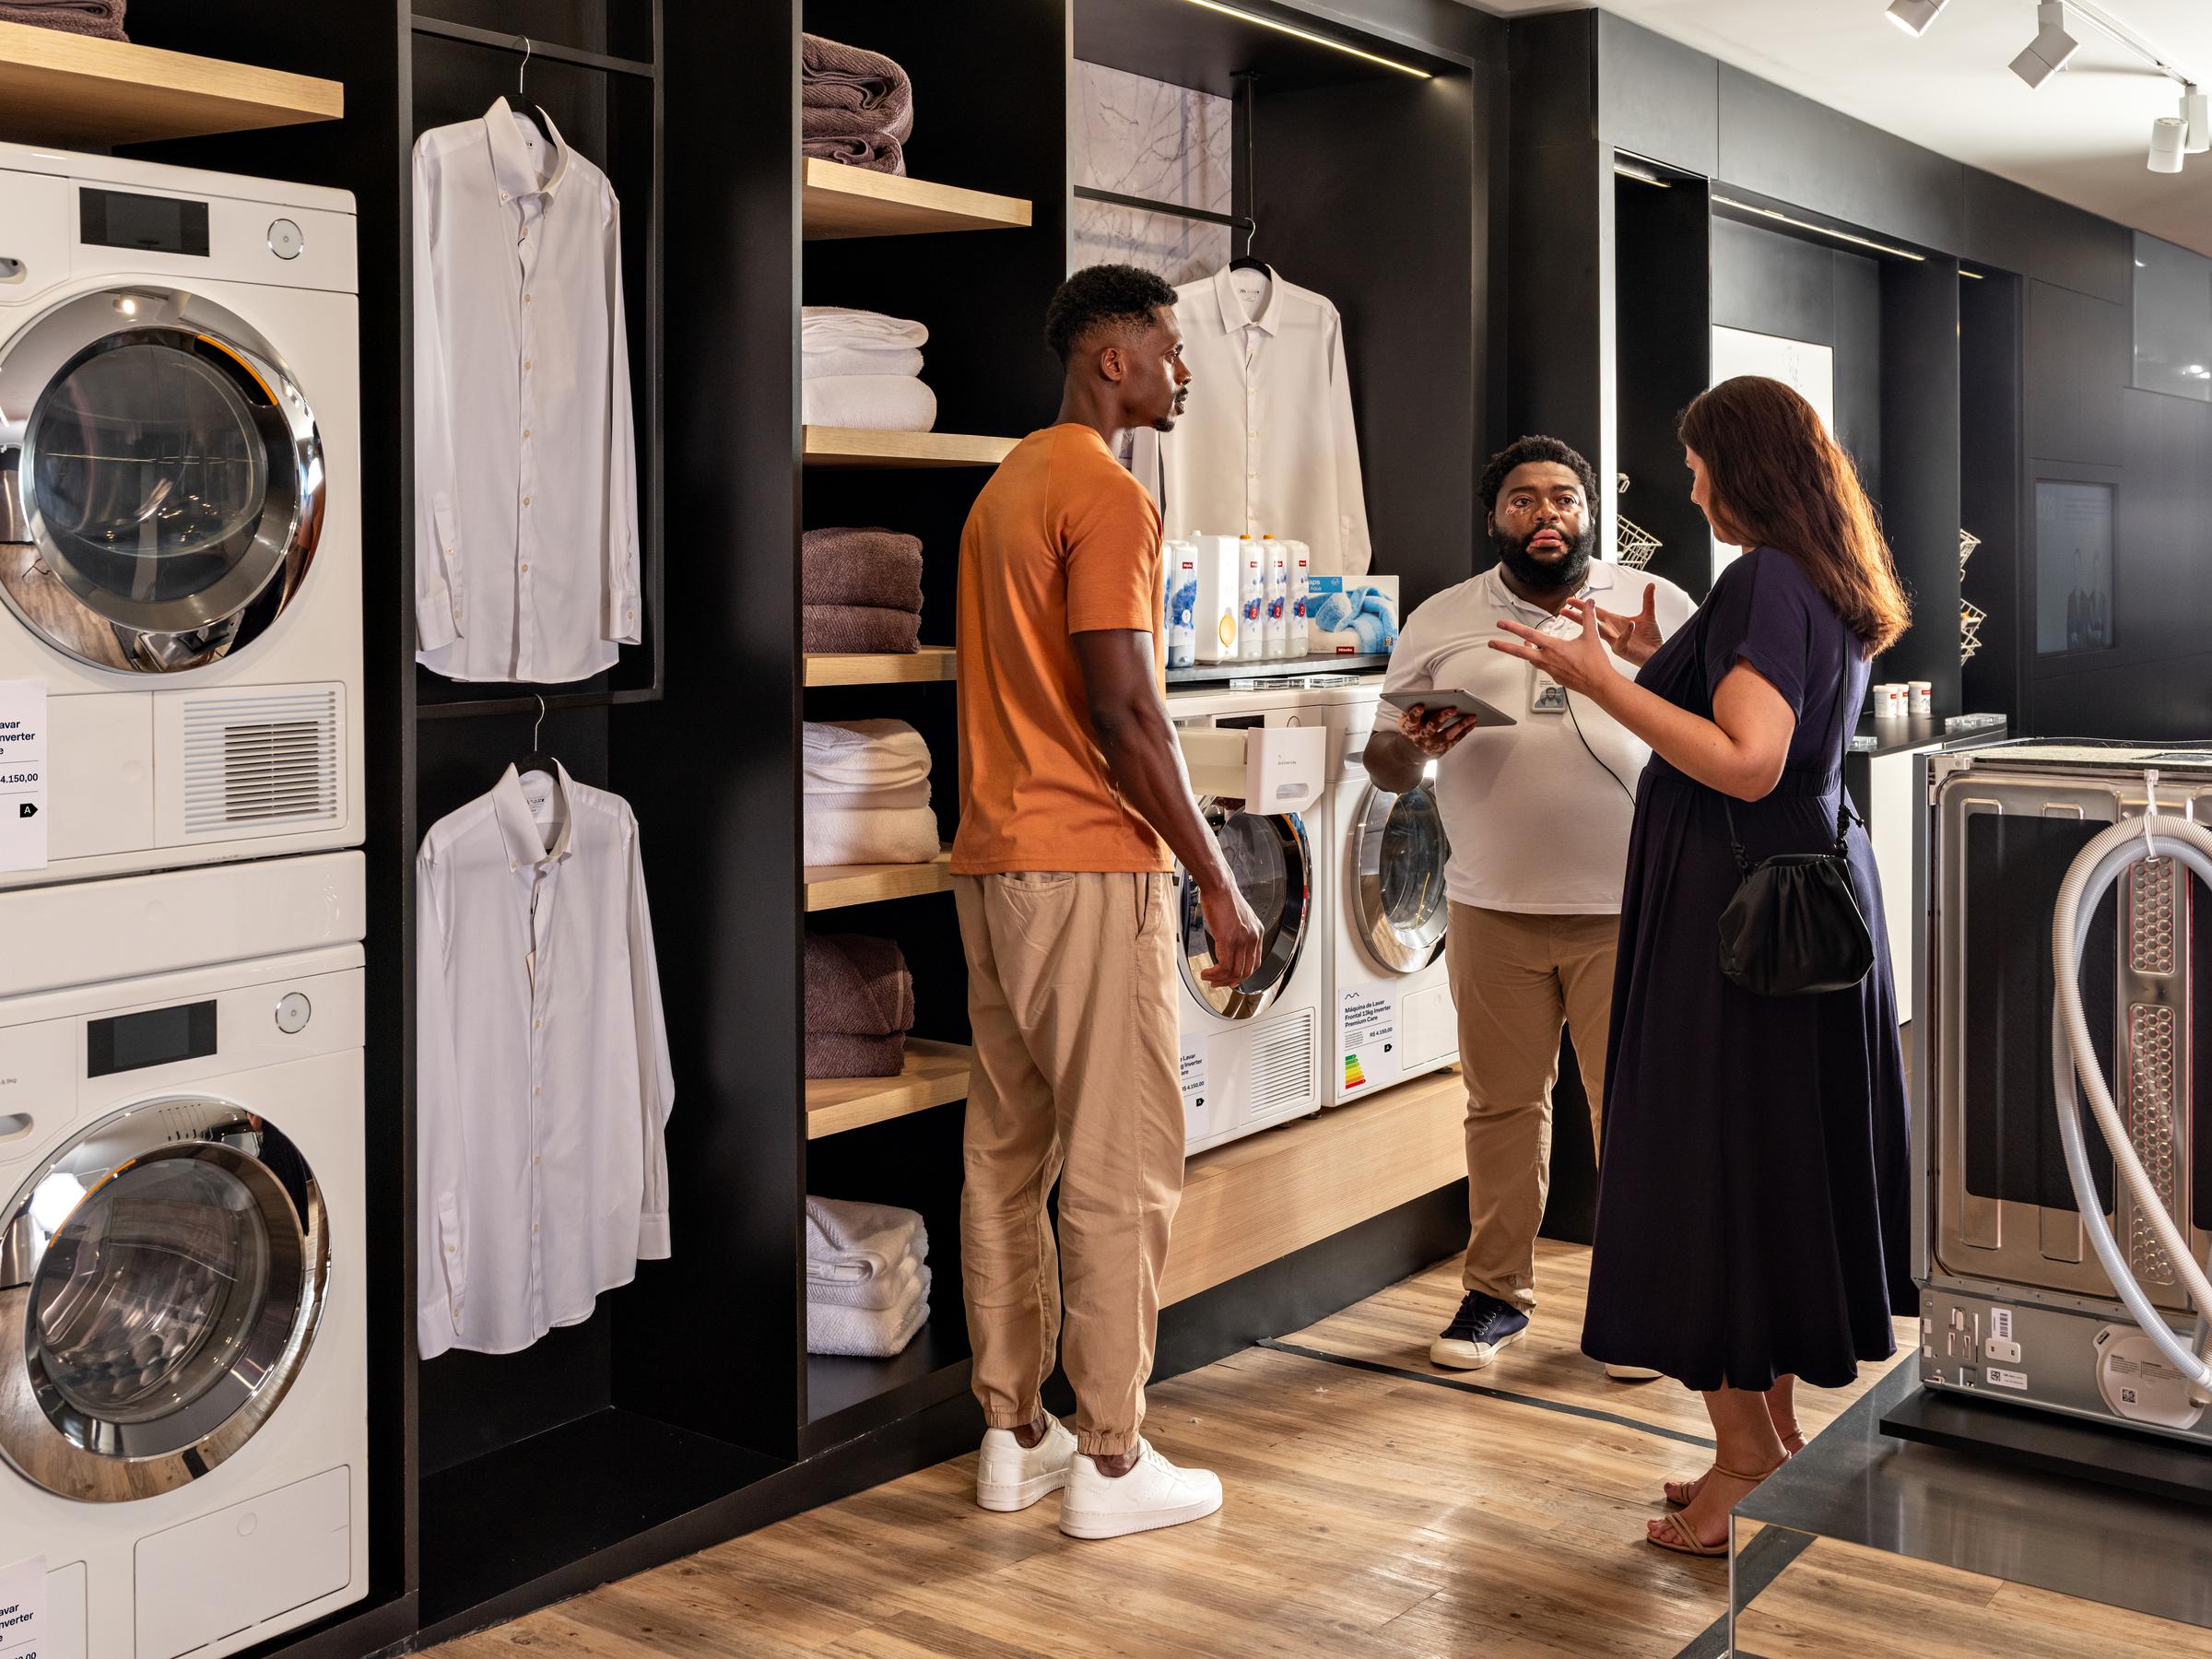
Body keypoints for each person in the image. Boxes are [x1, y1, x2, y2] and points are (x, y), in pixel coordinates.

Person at [1488, 376, 1912, 1558]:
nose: (1689, 488)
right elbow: (1768, 717)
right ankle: (1769, 1442)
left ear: (1742, 469)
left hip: (1736, 926)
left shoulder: (1764, 577)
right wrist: (1661, 655)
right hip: (1796, 908)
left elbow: (1746, 759)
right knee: (1768, 1172)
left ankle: (1743, 1461)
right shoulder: (1821, 576)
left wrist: (1602, 683)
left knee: (1706, 1173)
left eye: (1695, 467)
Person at [950, 264, 1265, 1540]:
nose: (1184, 370)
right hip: (1087, 862)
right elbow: (1128, 714)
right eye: (1170, 348)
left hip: (992, 860)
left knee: (1005, 1150)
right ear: (1111, 359)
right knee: (1121, 1165)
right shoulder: (1110, 493)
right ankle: (1116, 1461)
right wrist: (1216, 877)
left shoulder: (1003, 490)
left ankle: (1013, 1434)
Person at [1365, 436, 1694, 1374]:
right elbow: (1386, 765)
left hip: (1629, 907)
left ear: (1590, 512)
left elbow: (1717, 730)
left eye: (1562, 497)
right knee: (1501, 1108)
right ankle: (1494, 1296)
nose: (1544, 513)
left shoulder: (1656, 605)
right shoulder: (1442, 618)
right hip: (1490, 907)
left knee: (1633, 1112)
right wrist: (1416, 743)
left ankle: (1643, 1305)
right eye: (1521, 499)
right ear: (1493, 518)